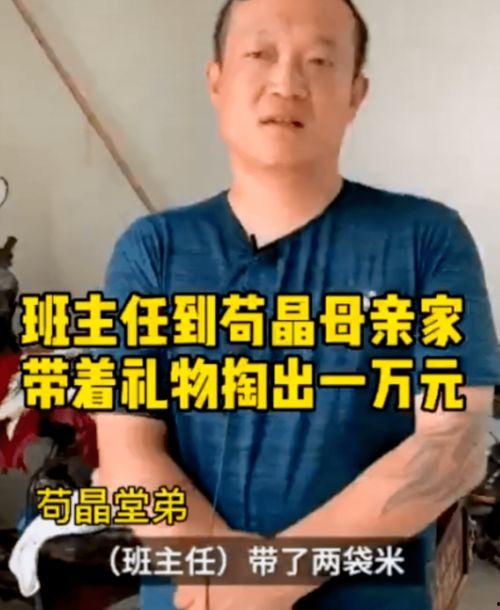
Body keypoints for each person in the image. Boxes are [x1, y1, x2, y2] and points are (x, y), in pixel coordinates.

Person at [95, 0, 500, 608]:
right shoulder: (152, 250)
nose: (286, 83)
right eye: (260, 54)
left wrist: (263, 583)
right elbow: (128, 447)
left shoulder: (426, 239)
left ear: (356, 94)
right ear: (216, 81)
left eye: (319, 61)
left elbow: (452, 446)